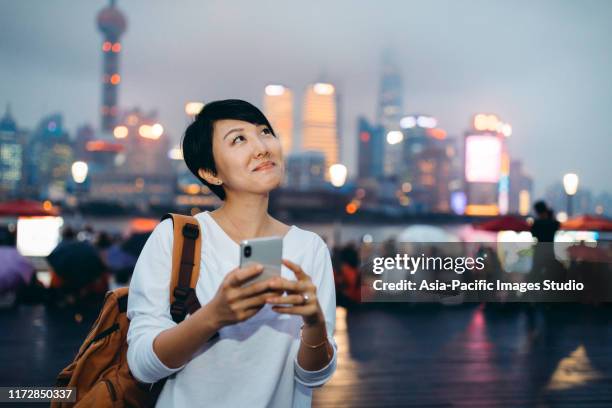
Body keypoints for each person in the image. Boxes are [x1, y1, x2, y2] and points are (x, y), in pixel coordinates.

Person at [126, 100, 337, 407]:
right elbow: (143, 365)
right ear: (210, 172)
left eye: (265, 132)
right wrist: (214, 316)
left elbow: (313, 377)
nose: (262, 147)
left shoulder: (310, 248)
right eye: (239, 139)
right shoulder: (177, 238)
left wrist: (315, 323)